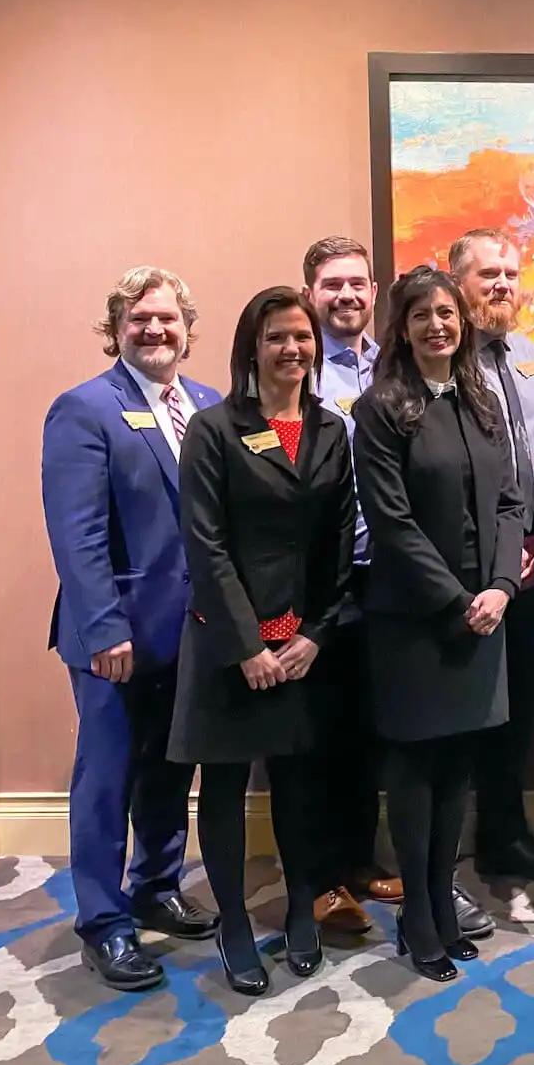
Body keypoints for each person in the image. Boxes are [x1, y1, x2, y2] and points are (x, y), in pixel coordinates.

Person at [168, 286, 358, 995]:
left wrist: (314, 632)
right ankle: (234, 924)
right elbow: (206, 545)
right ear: (253, 346)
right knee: (223, 787)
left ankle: (303, 905)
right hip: (229, 643)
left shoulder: (330, 431)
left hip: (301, 643)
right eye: (277, 336)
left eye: (302, 336)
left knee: (299, 784)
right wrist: (248, 645)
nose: (292, 349)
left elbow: (338, 544)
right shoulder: (215, 429)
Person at [40, 267, 220, 991]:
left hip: (190, 634)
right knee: (106, 780)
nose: (155, 330)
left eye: (168, 319)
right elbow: (76, 533)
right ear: (116, 328)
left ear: (188, 330)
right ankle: (105, 923)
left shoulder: (207, 405)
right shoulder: (84, 409)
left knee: (171, 772)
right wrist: (105, 625)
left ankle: (156, 883)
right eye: (140, 319)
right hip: (111, 638)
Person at [352, 267, 525, 981]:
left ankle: (446, 908)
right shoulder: (380, 408)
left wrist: (503, 587)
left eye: (448, 313)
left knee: (459, 772)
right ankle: (417, 915)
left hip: (486, 615)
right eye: (422, 314)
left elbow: (513, 502)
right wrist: (458, 600)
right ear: (402, 327)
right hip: (416, 622)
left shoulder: (482, 402)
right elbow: (390, 523)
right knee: (416, 772)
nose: (438, 326)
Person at [449, 230, 534, 883]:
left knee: (524, 705)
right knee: (467, 708)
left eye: (511, 273)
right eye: (488, 274)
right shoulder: (439, 362)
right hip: (468, 567)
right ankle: (452, 842)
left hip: (533, 564)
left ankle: (506, 834)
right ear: (457, 283)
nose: (503, 285)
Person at [300, 236, 404, 935]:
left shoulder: (390, 368)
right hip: (316, 577)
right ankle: (317, 879)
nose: (346, 295)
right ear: (310, 291)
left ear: (374, 292)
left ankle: (360, 862)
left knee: (368, 726)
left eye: (358, 284)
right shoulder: (293, 364)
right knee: (313, 731)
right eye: (332, 284)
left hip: (385, 575)